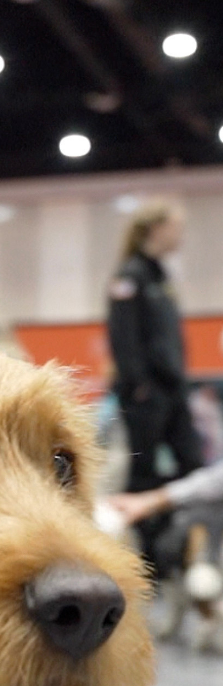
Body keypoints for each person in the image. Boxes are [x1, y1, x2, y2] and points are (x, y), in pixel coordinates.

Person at [108, 200, 202, 498]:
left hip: (172, 386)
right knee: (143, 469)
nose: (181, 236)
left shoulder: (161, 276)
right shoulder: (129, 276)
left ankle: (175, 529)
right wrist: (139, 385)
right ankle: (145, 538)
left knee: (192, 462)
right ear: (156, 229)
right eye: (176, 228)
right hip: (146, 392)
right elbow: (122, 337)